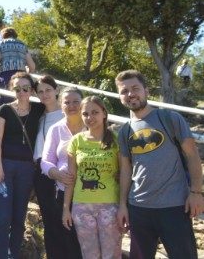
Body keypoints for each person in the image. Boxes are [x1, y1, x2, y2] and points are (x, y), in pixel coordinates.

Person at [115, 70, 203, 258]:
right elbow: (125, 170)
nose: (130, 94)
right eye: (124, 91)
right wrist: (123, 204)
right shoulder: (124, 131)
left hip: (174, 206)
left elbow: (192, 155)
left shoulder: (170, 118)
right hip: (138, 208)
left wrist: (196, 192)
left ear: (146, 90)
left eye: (135, 88)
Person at [0, 72, 46, 259]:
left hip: (27, 169)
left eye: (26, 88)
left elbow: (54, 101)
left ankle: (12, 254)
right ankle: (0, 255)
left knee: (19, 217)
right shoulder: (5, 110)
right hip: (4, 166)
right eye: (17, 88)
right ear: (11, 89)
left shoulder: (39, 109)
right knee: (4, 217)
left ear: (32, 90)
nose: (21, 92)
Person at [62, 96, 121, 259]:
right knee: (89, 255)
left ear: (104, 113)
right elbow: (71, 177)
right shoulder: (76, 141)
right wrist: (66, 209)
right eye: (85, 114)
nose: (90, 117)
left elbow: (123, 175)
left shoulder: (116, 139)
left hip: (110, 205)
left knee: (112, 255)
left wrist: (124, 206)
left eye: (95, 112)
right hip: (81, 207)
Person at [40, 88, 84, 258]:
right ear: (60, 104)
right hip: (65, 194)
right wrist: (56, 174)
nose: (71, 105)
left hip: (93, 195)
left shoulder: (93, 126)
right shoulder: (56, 129)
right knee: (69, 242)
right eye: (67, 102)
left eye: (76, 101)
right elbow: (46, 161)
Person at [32, 75, 67, 259]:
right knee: (49, 220)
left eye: (48, 90)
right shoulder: (38, 115)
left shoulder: (67, 113)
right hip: (41, 172)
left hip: (63, 174)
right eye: (40, 91)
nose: (45, 94)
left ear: (56, 90)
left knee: (65, 220)